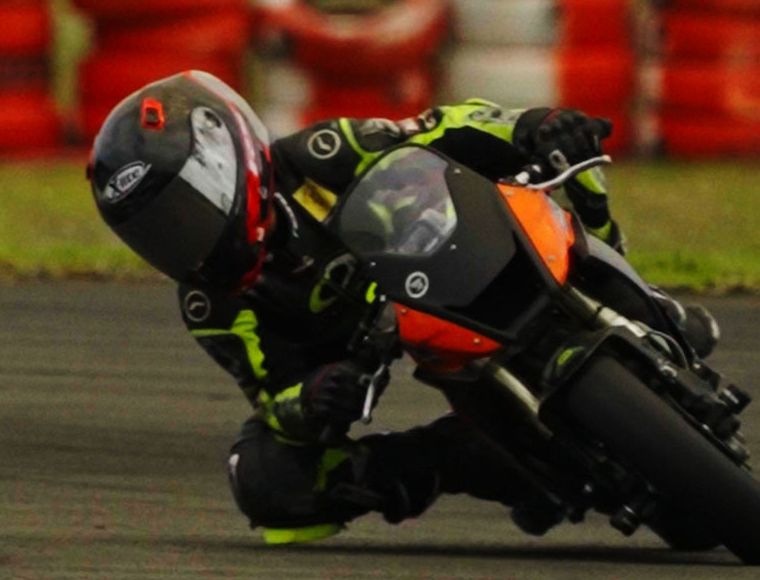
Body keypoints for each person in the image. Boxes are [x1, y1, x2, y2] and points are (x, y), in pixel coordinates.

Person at [87, 70, 718, 544]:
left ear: (227, 160)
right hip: (363, 348)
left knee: (559, 164)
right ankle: (475, 459)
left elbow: (438, 126)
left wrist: (529, 126)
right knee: (265, 479)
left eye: (183, 209)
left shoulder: (321, 155)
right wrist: (313, 399)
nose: (181, 238)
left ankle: (634, 298)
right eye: (158, 232)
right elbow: (269, 396)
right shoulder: (210, 303)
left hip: (447, 258)